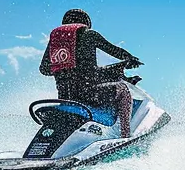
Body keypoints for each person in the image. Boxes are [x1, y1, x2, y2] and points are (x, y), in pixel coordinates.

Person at [39, 9, 142, 138]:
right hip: (88, 95)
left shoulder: (56, 41)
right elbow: (114, 50)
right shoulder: (89, 34)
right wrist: (130, 59)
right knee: (123, 90)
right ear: (86, 22)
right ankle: (126, 136)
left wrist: (62, 69)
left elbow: (43, 69)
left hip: (65, 98)